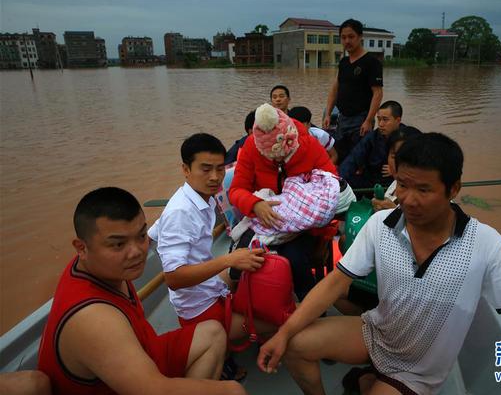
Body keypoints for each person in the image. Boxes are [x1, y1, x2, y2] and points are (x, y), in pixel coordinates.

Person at [257, 133, 501, 395]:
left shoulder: (486, 244)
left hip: (418, 367)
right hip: (376, 332)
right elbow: (335, 284)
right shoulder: (381, 224)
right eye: (402, 184)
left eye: (424, 189)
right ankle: (366, 379)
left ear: (453, 189)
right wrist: (284, 333)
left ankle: (368, 381)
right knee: (295, 346)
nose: (408, 199)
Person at [37, 187, 245, 395]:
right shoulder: (93, 319)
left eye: (141, 236)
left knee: (213, 332)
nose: (136, 252)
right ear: (81, 248)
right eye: (118, 244)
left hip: (145, 352)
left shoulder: (101, 266)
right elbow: (152, 390)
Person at [148, 133, 273, 340]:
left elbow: (154, 231)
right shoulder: (180, 212)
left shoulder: (200, 199)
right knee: (274, 324)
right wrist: (229, 259)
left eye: (220, 168)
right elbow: (174, 279)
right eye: (205, 169)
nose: (215, 177)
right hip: (198, 307)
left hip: (209, 287)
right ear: (186, 170)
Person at [229, 103, 337, 301]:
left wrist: (320, 229)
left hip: (304, 227)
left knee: (293, 258)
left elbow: (331, 186)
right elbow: (236, 190)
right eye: (272, 158)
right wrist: (255, 205)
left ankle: (308, 305)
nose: (279, 161)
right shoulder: (251, 148)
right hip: (265, 220)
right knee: (245, 259)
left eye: (284, 157)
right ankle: (264, 305)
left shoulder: (310, 145)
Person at [323, 18, 383, 164]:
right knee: (340, 154)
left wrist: (368, 120)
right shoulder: (344, 62)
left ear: (360, 37)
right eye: (343, 37)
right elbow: (335, 88)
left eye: (351, 37)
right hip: (342, 118)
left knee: (358, 160)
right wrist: (328, 114)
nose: (347, 41)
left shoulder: (371, 62)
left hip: (361, 119)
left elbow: (378, 93)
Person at [339, 100, 405, 190]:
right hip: (372, 180)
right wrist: (339, 181)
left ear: (398, 120)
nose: (381, 124)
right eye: (379, 119)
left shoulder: (409, 136)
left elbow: (419, 165)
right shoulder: (372, 137)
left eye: (385, 120)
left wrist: (398, 170)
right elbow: (353, 158)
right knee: (345, 179)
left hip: (396, 181)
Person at [371, 125, 422, 212]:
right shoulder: (395, 184)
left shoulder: (433, 194)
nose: (399, 163)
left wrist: (394, 211)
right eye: (394, 156)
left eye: (405, 157)